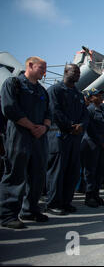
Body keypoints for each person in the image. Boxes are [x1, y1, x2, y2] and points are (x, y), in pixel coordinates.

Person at [0, 56, 51, 228]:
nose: (44, 72)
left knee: (37, 175)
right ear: (30, 65)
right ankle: (8, 216)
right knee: (15, 174)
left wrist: (43, 128)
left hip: (39, 138)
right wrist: (32, 127)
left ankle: (30, 210)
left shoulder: (42, 91)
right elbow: (9, 108)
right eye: (41, 68)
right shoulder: (13, 84)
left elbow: (49, 114)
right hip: (20, 136)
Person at [46, 64, 89, 216]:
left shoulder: (78, 93)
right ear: (65, 72)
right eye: (74, 71)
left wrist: (81, 125)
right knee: (57, 171)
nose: (77, 74)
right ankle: (53, 203)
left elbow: (85, 114)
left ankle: (66, 202)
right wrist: (71, 126)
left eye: (78, 72)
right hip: (59, 135)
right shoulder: (55, 90)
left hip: (75, 137)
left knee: (72, 171)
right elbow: (54, 110)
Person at [80, 88, 104, 207]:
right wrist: (101, 141)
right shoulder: (89, 110)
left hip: (103, 145)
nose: (99, 97)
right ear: (91, 98)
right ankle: (89, 197)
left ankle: (96, 195)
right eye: (96, 96)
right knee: (90, 171)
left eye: (100, 95)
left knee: (100, 170)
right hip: (91, 144)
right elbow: (91, 129)